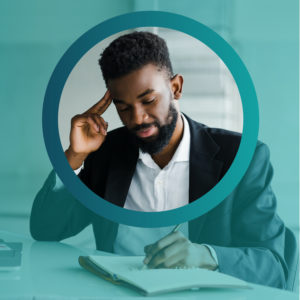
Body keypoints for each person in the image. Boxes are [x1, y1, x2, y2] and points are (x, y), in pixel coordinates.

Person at [30, 31, 297, 290]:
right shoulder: (106, 151)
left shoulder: (242, 158)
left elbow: (273, 268)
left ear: (176, 88)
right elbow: (45, 230)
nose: (137, 118)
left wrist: (207, 257)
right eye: (123, 107)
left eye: (149, 100)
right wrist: (74, 157)